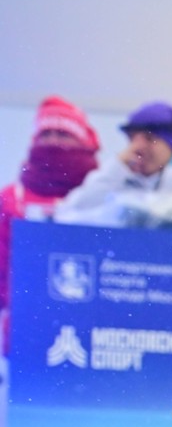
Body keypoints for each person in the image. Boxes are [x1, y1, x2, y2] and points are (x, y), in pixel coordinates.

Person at [0, 96, 99, 340]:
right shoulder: (11, 199)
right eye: (46, 133)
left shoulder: (105, 197)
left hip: (95, 333)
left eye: (63, 134)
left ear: (82, 142)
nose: (53, 141)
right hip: (22, 334)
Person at [54, 101, 172, 227]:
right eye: (132, 138)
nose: (137, 148)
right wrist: (117, 168)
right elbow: (69, 213)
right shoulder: (118, 185)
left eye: (150, 139)